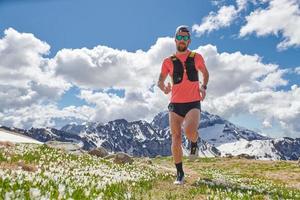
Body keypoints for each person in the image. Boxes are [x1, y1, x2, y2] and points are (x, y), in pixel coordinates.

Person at [157, 25, 209, 185]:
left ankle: (194, 141)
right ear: (175, 39)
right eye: (179, 37)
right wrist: (164, 87)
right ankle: (180, 173)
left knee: (189, 131)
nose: (182, 40)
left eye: (185, 38)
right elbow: (160, 80)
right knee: (176, 136)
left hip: (193, 102)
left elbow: (205, 73)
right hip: (175, 104)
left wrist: (203, 86)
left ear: (189, 41)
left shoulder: (197, 57)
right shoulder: (167, 61)